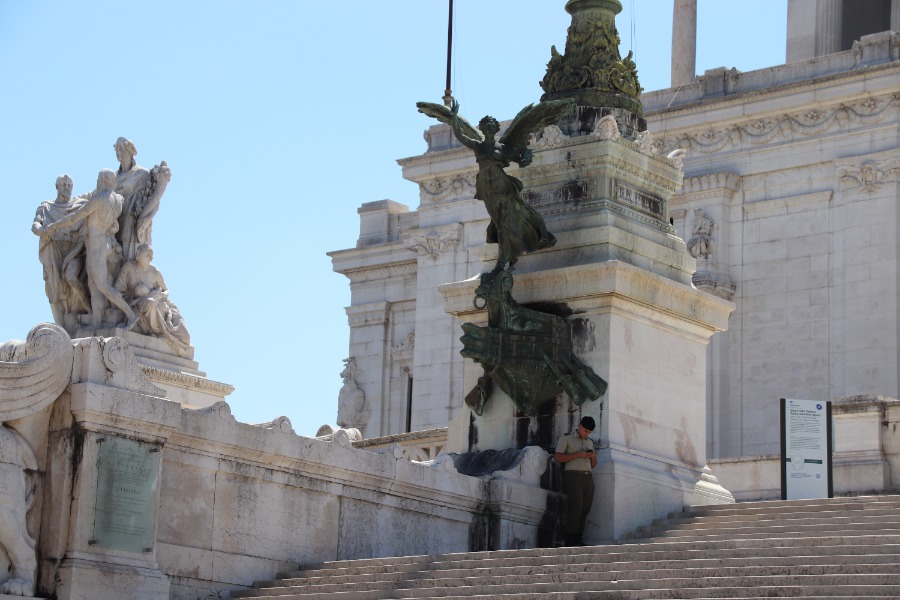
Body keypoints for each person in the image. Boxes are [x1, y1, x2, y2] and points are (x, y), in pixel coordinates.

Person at [41, 169, 138, 331]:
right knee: (94, 286)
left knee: (102, 285)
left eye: (99, 178)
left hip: (96, 246)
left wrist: (53, 226)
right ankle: (96, 322)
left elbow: (75, 217)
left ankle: (131, 315)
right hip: (106, 245)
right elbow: (114, 224)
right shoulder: (117, 200)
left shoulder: (99, 199)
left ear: (104, 180)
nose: (97, 181)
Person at [31, 175, 90, 331]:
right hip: (54, 250)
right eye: (63, 184)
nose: (66, 187)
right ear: (56, 186)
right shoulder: (46, 207)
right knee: (55, 288)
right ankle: (62, 325)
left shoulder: (79, 207)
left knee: (71, 279)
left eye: (69, 184)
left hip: (74, 251)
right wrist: (42, 230)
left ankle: (86, 311)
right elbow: (36, 224)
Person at [114, 244, 191, 355]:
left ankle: (164, 332)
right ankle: (156, 331)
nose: (137, 255)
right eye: (138, 252)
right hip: (138, 303)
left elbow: (166, 290)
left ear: (148, 257)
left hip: (159, 302)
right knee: (150, 303)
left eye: (141, 253)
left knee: (184, 334)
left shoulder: (155, 272)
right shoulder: (129, 267)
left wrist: (160, 295)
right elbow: (118, 289)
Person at [113, 137, 170, 261]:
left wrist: (147, 218)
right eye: (117, 149)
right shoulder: (113, 178)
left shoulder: (142, 174)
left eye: (122, 149)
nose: (119, 152)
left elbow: (155, 201)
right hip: (116, 220)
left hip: (133, 222)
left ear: (130, 151)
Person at [554, 416, 597, 546]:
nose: (586, 434)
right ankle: (570, 538)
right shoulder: (566, 438)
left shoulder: (589, 442)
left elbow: (594, 465)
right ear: (579, 425)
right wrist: (578, 455)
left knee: (585, 508)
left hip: (588, 477)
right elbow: (558, 457)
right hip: (573, 476)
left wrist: (593, 457)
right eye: (585, 430)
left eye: (589, 432)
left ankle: (578, 536)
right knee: (576, 507)